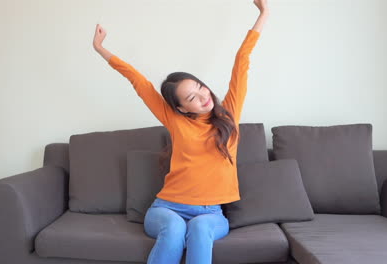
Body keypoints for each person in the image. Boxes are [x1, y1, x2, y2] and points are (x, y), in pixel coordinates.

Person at [93, 1, 269, 263]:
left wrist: (264, 14)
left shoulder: (229, 115)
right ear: (181, 108)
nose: (203, 97)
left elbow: (242, 59)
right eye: (192, 97)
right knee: (175, 229)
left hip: (211, 214)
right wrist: (100, 49)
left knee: (198, 228)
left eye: (201, 88)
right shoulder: (176, 121)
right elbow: (139, 82)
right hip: (166, 209)